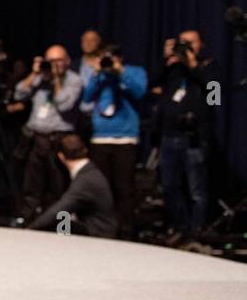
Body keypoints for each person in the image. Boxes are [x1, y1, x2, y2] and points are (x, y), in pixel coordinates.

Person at [12, 44, 82, 224]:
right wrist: (34, 74)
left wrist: (57, 80)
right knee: (31, 184)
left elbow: (64, 104)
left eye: (57, 61)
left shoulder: (73, 80)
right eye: (49, 61)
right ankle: (26, 221)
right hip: (36, 138)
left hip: (59, 139)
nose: (53, 65)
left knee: (60, 187)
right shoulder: (41, 78)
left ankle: (63, 226)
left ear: (67, 61)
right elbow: (19, 94)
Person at [82, 44, 145, 238]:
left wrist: (120, 72)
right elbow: (86, 97)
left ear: (120, 58)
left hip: (125, 138)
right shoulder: (100, 75)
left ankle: (125, 228)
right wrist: (96, 73)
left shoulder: (134, 72)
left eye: (113, 57)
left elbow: (140, 92)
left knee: (124, 187)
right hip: (100, 138)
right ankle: (101, 226)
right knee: (101, 187)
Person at [154, 35, 212, 235]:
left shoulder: (209, 68)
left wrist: (194, 65)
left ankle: (196, 230)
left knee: (196, 190)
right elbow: (151, 82)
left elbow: (216, 97)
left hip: (194, 139)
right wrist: (167, 58)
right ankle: (176, 227)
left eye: (190, 43)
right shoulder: (174, 70)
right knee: (170, 187)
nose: (184, 47)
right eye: (181, 43)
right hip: (169, 136)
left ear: (200, 45)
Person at [29, 134, 117, 238]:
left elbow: (60, 209)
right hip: (97, 227)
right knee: (60, 220)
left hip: (98, 232)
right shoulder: (89, 172)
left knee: (54, 222)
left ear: (61, 157)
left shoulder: (85, 180)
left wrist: (30, 229)